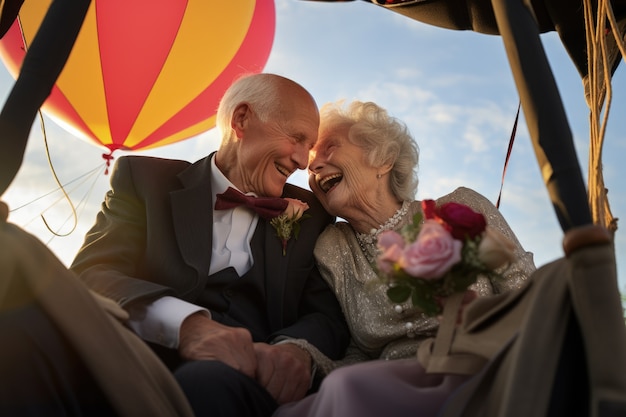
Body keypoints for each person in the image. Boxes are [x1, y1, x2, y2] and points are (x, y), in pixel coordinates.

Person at [69, 73, 351, 417]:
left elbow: (326, 316)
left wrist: (297, 351)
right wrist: (187, 325)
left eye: (308, 148)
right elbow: (91, 274)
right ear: (242, 119)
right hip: (133, 370)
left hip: (247, 388)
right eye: (296, 138)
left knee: (205, 385)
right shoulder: (143, 180)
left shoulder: (313, 215)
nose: (304, 161)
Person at [274, 100, 535, 417]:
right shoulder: (331, 248)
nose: (312, 167)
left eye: (329, 148)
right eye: (312, 161)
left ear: (383, 159)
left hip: (486, 374)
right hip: (390, 389)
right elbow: (360, 353)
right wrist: (307, 358)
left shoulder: (458, 209)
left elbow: (529, 297)